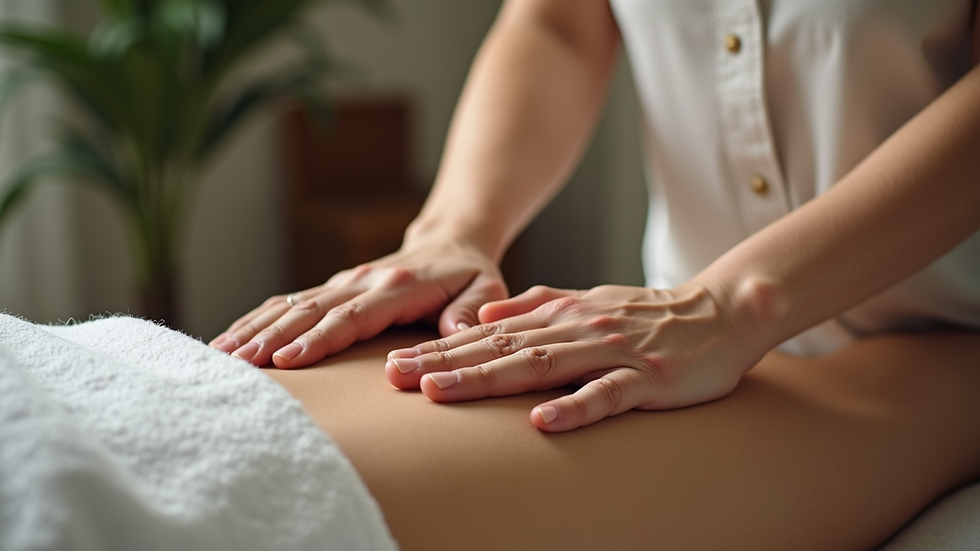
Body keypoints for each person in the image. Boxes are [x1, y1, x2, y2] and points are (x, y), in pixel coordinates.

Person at [210, 0, 980, 434]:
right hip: (678, 343)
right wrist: (453, 228)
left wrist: (732, 303)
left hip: (939, 335)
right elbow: (556, 24)